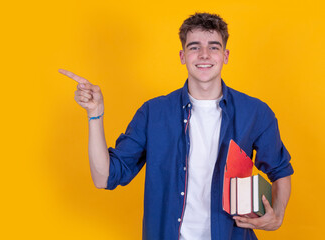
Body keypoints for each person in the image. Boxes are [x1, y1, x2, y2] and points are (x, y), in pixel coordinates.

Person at [58, 12, 293, 240]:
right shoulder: (153, 112)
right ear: (182, 56)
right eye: (194, 47)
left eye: (213, 46)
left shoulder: (255, 112)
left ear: (225, 55)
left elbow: (280, 171)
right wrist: (95, 115)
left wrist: (278, 215)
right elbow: (104, 177)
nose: (204, 55)